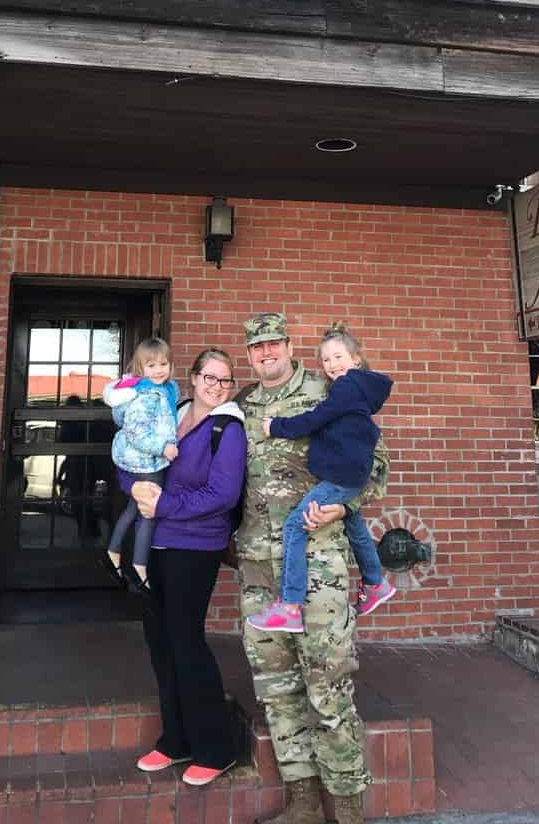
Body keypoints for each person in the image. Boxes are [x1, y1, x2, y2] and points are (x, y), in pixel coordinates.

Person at [237, 313, 388, 824]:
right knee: (278, 692)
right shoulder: (241, 407)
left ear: (288, 345)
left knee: (328, 689)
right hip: (260, 572)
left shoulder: (331, 389)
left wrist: (347, 506)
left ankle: (346, 812)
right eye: (256, 347)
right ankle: (302, 806)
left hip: (319, 568)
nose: (266, 353)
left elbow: (377, 463)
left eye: (274, 343)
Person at [125, 349, 246, 788]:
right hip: (153, 544)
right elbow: (135, 457)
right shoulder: (167, 411)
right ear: (192, 379)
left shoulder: (227, 428)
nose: (216, 386)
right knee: (160, 641)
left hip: (195, 547)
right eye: (209, 377)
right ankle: (177, 740)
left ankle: (216, 747)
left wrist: (166, 505)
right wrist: (135, 487)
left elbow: (223, 494)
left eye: (225, 380)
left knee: (186, 640)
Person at [247, 322, 395, 633]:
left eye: (338, 357)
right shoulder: (246, 400)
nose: (332, 365)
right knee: (357, 528)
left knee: (294, 525)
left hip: (336, 500)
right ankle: (375, 582)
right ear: (249, 354)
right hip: (264, 550)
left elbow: (318, 422)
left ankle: (290, 606)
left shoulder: (336, 389)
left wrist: (276, 427)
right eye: (326, 360)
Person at [102, 338, 179, 588]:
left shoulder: (165, 390)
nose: (159, 370)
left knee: (134, 509)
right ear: (140, 368)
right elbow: (137, 433)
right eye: (151, 365)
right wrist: (164, 447)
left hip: (145, 459)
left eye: (163, 364)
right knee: (149, 512)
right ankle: (139, 565)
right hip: (147, 461)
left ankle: (112, 554)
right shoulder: (145, 395)